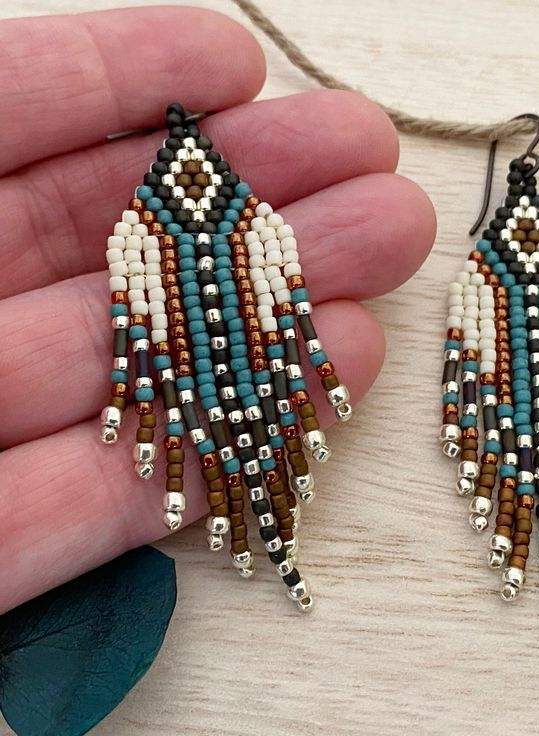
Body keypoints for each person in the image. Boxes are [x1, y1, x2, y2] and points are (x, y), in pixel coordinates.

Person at [0, 5, 436, 613]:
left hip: (224, 323)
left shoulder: (187, 224)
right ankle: (275, 544)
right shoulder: (165, 230)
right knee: (230, 413)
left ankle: (276, 541)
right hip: (206, 331)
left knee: (238, 410)